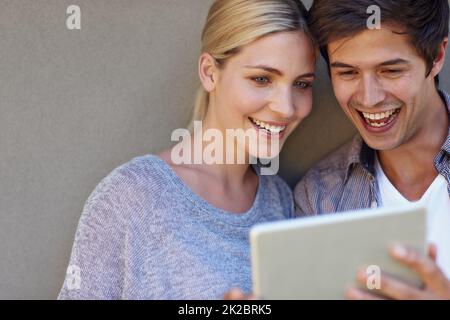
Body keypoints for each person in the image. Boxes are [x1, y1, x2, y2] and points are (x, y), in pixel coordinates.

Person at [58, 0, 316, 299]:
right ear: (209, 72)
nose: (285, 107)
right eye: (261, 79)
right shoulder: (132, 196)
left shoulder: (281, 202)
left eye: (302, 84)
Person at [295, 0, 450, 299]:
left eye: (390, 70)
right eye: (348, 73)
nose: (369, 98)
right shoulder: (318, 199)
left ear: (438, 56)